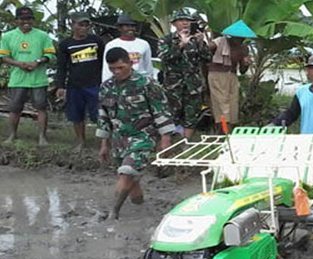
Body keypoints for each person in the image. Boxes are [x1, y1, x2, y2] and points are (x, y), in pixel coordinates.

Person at [96, 47, 174, 220]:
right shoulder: (106, 87)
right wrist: (104, 144)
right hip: (119, 139)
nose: (117, 72)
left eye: (120, 68)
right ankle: (141, 207)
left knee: (127, 172)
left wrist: (165, 139)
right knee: (132, 182)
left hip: (142, 136)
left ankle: (113, 212)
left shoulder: (147, 84)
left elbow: (161, 111)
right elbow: (103, 116)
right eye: (112, 69)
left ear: (130, 63)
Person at [0, 7, 56, 146]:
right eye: (23, 19)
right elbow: (3, 56)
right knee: (15, 108)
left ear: (33, 20)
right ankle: (12, 135)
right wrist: (19, 63)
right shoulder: (7, 36)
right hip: (18, 79)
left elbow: (50, 55)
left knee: (41, 107)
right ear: (16, 20)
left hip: (38, 79)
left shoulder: (43, 35)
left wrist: (37, 62)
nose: (26, 22)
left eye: (29, 19)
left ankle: (42, 137)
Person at [158, 9, 212, 139]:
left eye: (188, 20)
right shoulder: (166, 40)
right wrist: (181, 45)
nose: (185, 23)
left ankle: (185, 144)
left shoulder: (196, 39)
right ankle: (169, 142)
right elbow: (164, 57)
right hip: (173, 85)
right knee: (172, 114)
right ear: (174, 23)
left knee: (191, 115)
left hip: (193, 85)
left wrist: (200, 43)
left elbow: (207, 58)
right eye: (181, 20)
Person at [56, 12, 105, 152]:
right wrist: (60, 86)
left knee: (99, 115)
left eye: (86, 25)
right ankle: (80, 141)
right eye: (80, 25)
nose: (84, 28)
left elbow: (104, 62)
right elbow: (61, 67)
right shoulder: (66, 44)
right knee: (76, 115)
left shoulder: (96, 41)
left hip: (95, 84)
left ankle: (104, 143)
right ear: (72, 25)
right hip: (74, 85)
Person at [270, 54, 313, 133]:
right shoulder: (302, 91)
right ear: (307, 71)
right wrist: (274, 125)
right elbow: (291, 113)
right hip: (305, 139)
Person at [208, 20, 254, 134]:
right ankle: (224, 132)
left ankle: (227, 130)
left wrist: (246, 64)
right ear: (232, 36)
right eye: (238, 37)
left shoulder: (244, 49)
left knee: (233, 104)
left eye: (243, 38)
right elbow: (205, 50)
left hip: (232, 76)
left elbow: (242, 71)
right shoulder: (220, 42)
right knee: (222, 103)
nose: (240, 40)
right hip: (217, 74)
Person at [101, 14, 153, 82]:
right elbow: (106, 69)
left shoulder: (144, 44)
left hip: (140, 83)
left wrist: (150, 81)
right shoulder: (111, 45)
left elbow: (148, 67)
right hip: (119, 82)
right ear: (119, 28)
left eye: (133, 26)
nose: (130, 28)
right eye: (127, 26)